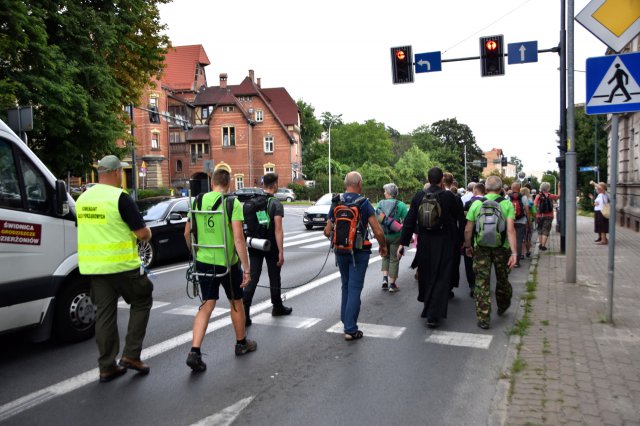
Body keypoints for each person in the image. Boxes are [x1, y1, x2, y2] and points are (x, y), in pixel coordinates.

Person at [76, 155, 153, 383]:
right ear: (116, 172)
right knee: (142, 300)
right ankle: (131, 355)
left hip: (95, 268)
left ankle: (107, 366)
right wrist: (148, 234)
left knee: (104, 315)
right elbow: (141, 233)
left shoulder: (83, 199)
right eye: (121, 173)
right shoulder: (120, 198)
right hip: (122, 266)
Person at [183, 162, 255, 372]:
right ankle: (241, 343)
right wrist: (247, 268)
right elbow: (239, 239)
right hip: (227, 262)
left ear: (212, 182)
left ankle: (194, 351)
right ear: (228, 183)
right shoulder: (233, 203)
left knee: (207, 304)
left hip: (205, 261)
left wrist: (196, 255)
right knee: (236, 302)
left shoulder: (197, 201)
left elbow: (187, 233)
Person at [324, 171, 387, 341]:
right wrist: (383, 246)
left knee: (345, 285)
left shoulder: (337, 201)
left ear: (346, 184)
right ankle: (350, 329)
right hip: (359, 252)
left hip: (340, 251)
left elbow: (327, 231)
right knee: (354, 288)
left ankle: (346, 319)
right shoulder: (363, 203)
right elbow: (377, 230)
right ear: (359, 183)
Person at [397, 167, 462, 328]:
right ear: (442, 180)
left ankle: (427, 302)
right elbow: (460, 217)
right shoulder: (448, 196)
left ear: (428, 179)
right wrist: (460, 241)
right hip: (444, 242)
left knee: (426, 273)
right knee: (441, 276)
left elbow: (410, 220)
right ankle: (433, 314)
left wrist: (402, 243)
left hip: (424, 241)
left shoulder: (419, 196)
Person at [464, 175, 518, 330]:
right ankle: (503, 305)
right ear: (501, 189)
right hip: (502, 248)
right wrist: (514, 253)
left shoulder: (476, 204)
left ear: (485, 188)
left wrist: (468, 246)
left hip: (481, 248)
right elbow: (510, 230)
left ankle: (484, 318)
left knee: (482, 282)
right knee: (502, 278)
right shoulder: (506, 204)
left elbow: (468, 229)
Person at [243, 173, 292, 326]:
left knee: (253, 277)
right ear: (275, 184)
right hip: (270, 244)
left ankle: (245, 313)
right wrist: (281, 252)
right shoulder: (276, 204)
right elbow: (278, 229)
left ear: (264, 185)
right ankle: (277, 307)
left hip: (255, 243)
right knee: (274, 275)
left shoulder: (256, 201)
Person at [377, 183, 408, 293]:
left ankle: (384, 279)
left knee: (385, 256)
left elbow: (378, 220)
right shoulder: (401, 205)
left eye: (385, 191)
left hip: (383, 235)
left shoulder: (380, 203)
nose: (384, 193)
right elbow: (406, 222)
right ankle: (392, 284)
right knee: (394, 259)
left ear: (389, 193)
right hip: (396, 236)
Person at [443, 172, 464, 298]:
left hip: (436, 235)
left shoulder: (432, 195)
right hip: (452, 234)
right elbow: (460, 219)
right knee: (452, 262)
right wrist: (461, 238)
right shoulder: (455, 197)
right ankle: (449, 286)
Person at [462, 182, 486, 298]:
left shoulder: (468, 203)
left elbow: (466, 225)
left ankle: (473, 285)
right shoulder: (491, 202)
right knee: (484, 262)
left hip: (472, 237)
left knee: (470, 262)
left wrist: (466, 243)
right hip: (487, 237)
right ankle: (483, 284)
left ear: (475, 191)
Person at [534, 182, 560, 251]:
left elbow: (535, 205)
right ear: (548, 188)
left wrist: (537, 213)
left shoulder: (538, 196)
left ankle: (540, 244)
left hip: (539, 215)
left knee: (540, 229)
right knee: (546, 230)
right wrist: (559, 187)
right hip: (549, 215)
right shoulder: (550, 195)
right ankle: (543, 245)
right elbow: (559, 196)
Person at [509, 182, 530, 268]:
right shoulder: (524, 197)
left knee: (510, 240)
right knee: (518, 241)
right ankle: (516, 262)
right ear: (519, 188)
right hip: (521, 222)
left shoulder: (507, 197)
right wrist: (528, 222)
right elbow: (527, 210)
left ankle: (509, 260)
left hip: (511, 221)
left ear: (511, 188)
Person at [520, 186, 534, 257]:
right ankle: (527, 251)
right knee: (528, 237)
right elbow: (532, 211)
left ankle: (521, 254)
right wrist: (529, 221)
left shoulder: (518, 198)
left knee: (521, 238)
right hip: (526, 220)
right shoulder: (529, 200)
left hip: (517, 220)